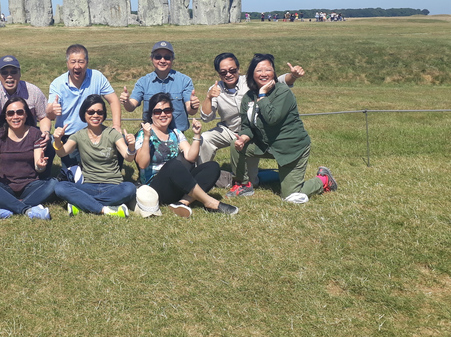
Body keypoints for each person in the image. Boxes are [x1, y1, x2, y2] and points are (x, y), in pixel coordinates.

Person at [197, 53, 305, 197]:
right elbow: (206, 117)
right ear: (218, 73)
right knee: (205, 138)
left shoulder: (251, 80)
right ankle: (199, 178)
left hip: (253, 131)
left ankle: (268, 175)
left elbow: (278, 80)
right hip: (228, 129)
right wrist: (209, 97)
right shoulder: (215, 88)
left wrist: (294, 76)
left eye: (232, 70)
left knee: (253, 181)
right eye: (223, 72)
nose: (228, 74)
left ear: (238, 69)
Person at [235, 54, 337, 203]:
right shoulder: (249, 97)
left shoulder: (283, 91)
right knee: (235, 146)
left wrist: (262, 95)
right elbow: (246, 125)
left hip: (291, 148)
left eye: (268, 70)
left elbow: (272, 119)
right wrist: (243, 138)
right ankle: (244, 185)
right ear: (251, 74)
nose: (263, 74)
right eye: (258, 70)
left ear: (274, 73)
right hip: (267, 145)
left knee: (290, 196)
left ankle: (324, 180)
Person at [134, 93, 238, 217]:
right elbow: (142, 164)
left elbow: (190, 157)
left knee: (212, 167)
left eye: (167, 110)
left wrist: (197, 135)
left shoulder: (175, 133)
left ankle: (182, 202)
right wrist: (146, 137)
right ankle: (210, 202)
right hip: (155, 189)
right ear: (151, 114)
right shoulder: (143, 134)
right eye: (157, 111)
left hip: (178, 184)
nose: (163, 114)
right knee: (174, 165)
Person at [53, 94, 136, 217]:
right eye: (91, 112)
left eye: (99, 112)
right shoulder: (78, 135)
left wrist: (131, 147)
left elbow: (128, 157)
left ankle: (83, 204)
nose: (95, 115)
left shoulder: (112, 134)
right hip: (88, 186)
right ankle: (106, 209)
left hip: (113, 185)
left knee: (130, 188)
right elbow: (62, 152)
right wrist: (57, 140)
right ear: (84, 114)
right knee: (60, 187)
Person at [0, 97, 56, 221]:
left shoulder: (35, 134)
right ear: (5, 116)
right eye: (10, 113)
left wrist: (41, 165)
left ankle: (7, 207)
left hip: (30, 186)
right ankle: (27, 210)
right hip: (5, 186)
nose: (15, 116)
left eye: (20, 112)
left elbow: (39, 169)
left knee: (54, 183)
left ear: (26, 114)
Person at [47, 44, 121, 167]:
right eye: (73, 62)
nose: (77, 66)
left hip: (95, 132)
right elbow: (49, 114)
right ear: (67, 64)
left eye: (81, 62)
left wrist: (116, 125)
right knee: (75, 178)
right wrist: (51, 110)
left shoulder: (97, 77)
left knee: (118, 141)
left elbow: (113, 100)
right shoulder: (57, 84)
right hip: (69, 136)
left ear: (87, 62)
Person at [120, 41, 199, 132]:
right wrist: (126, 101)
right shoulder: (143, 82)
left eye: (167, 57)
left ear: (172, 59)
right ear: (151, 59)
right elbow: (131, 107)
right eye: (158, 57)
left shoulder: (185, 81)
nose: (162, 60)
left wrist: (193, 105)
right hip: (150, 134)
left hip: (177, 134)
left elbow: (191, 110)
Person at [0, 55, 51, 135]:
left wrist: (45, 132)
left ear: (20, 73)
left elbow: (44, 117)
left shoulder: (33, 91)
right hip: (0, 141)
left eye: (13, 72)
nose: (9, 76)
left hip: (29, 140)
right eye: (4, 72)